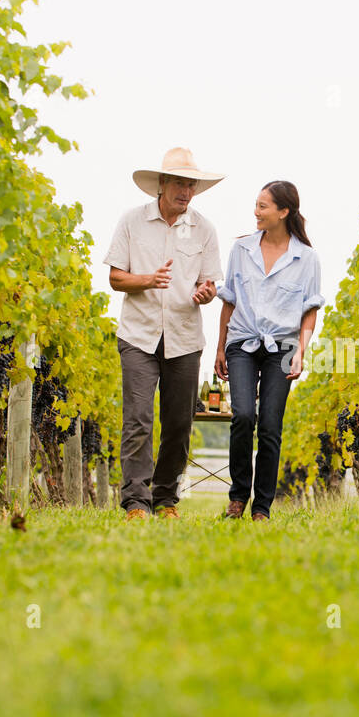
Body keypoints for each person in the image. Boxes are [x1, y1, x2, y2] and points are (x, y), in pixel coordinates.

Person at [105, 148, 224, 521]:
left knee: (178, 422)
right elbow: (115, 277)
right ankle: (135, 503)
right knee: (138, 419)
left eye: (192, 185)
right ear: (161, 184)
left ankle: (166, 499)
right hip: (138, 336)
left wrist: (206, 293)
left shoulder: (204, 229)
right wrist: (147, 280)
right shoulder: (131, 222)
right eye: (179, 183)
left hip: (185, 338)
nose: (186, 191)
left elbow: (209, 283)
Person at [214, 180, 324, 521]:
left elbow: (310, 311)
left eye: (263, 206)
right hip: (242, 341)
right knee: (243, 415)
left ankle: (262, 507)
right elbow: (229, 301)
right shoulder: (241, 250)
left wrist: (301, 351)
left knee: (270, 425)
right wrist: (220, 347)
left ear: (283, 211)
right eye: (256, 205)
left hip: (284, 346)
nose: (256, 212)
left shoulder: (306, 258)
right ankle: (237, 497)